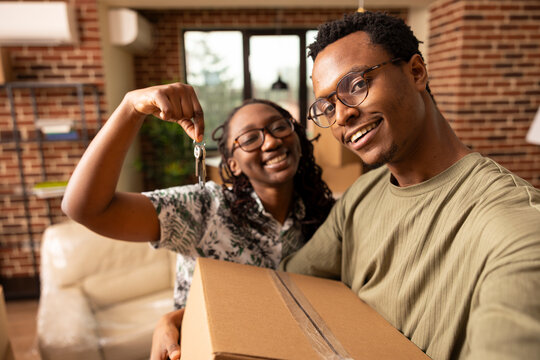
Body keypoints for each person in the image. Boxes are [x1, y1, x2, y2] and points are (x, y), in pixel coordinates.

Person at [151, 11, 540, 360]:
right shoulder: (361, 196)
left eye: (356, 84)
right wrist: (183, 315)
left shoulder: (517, 228)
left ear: (417, 72)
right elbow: (286, 286)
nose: (342, 116)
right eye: (327, 105)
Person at [61, 83, 335, 357]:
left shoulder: (324, 216)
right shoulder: (204, 208)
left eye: (279, 127)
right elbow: (86, 208)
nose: (272, 141)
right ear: (233, 164)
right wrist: (130, 108)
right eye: (250, 139)